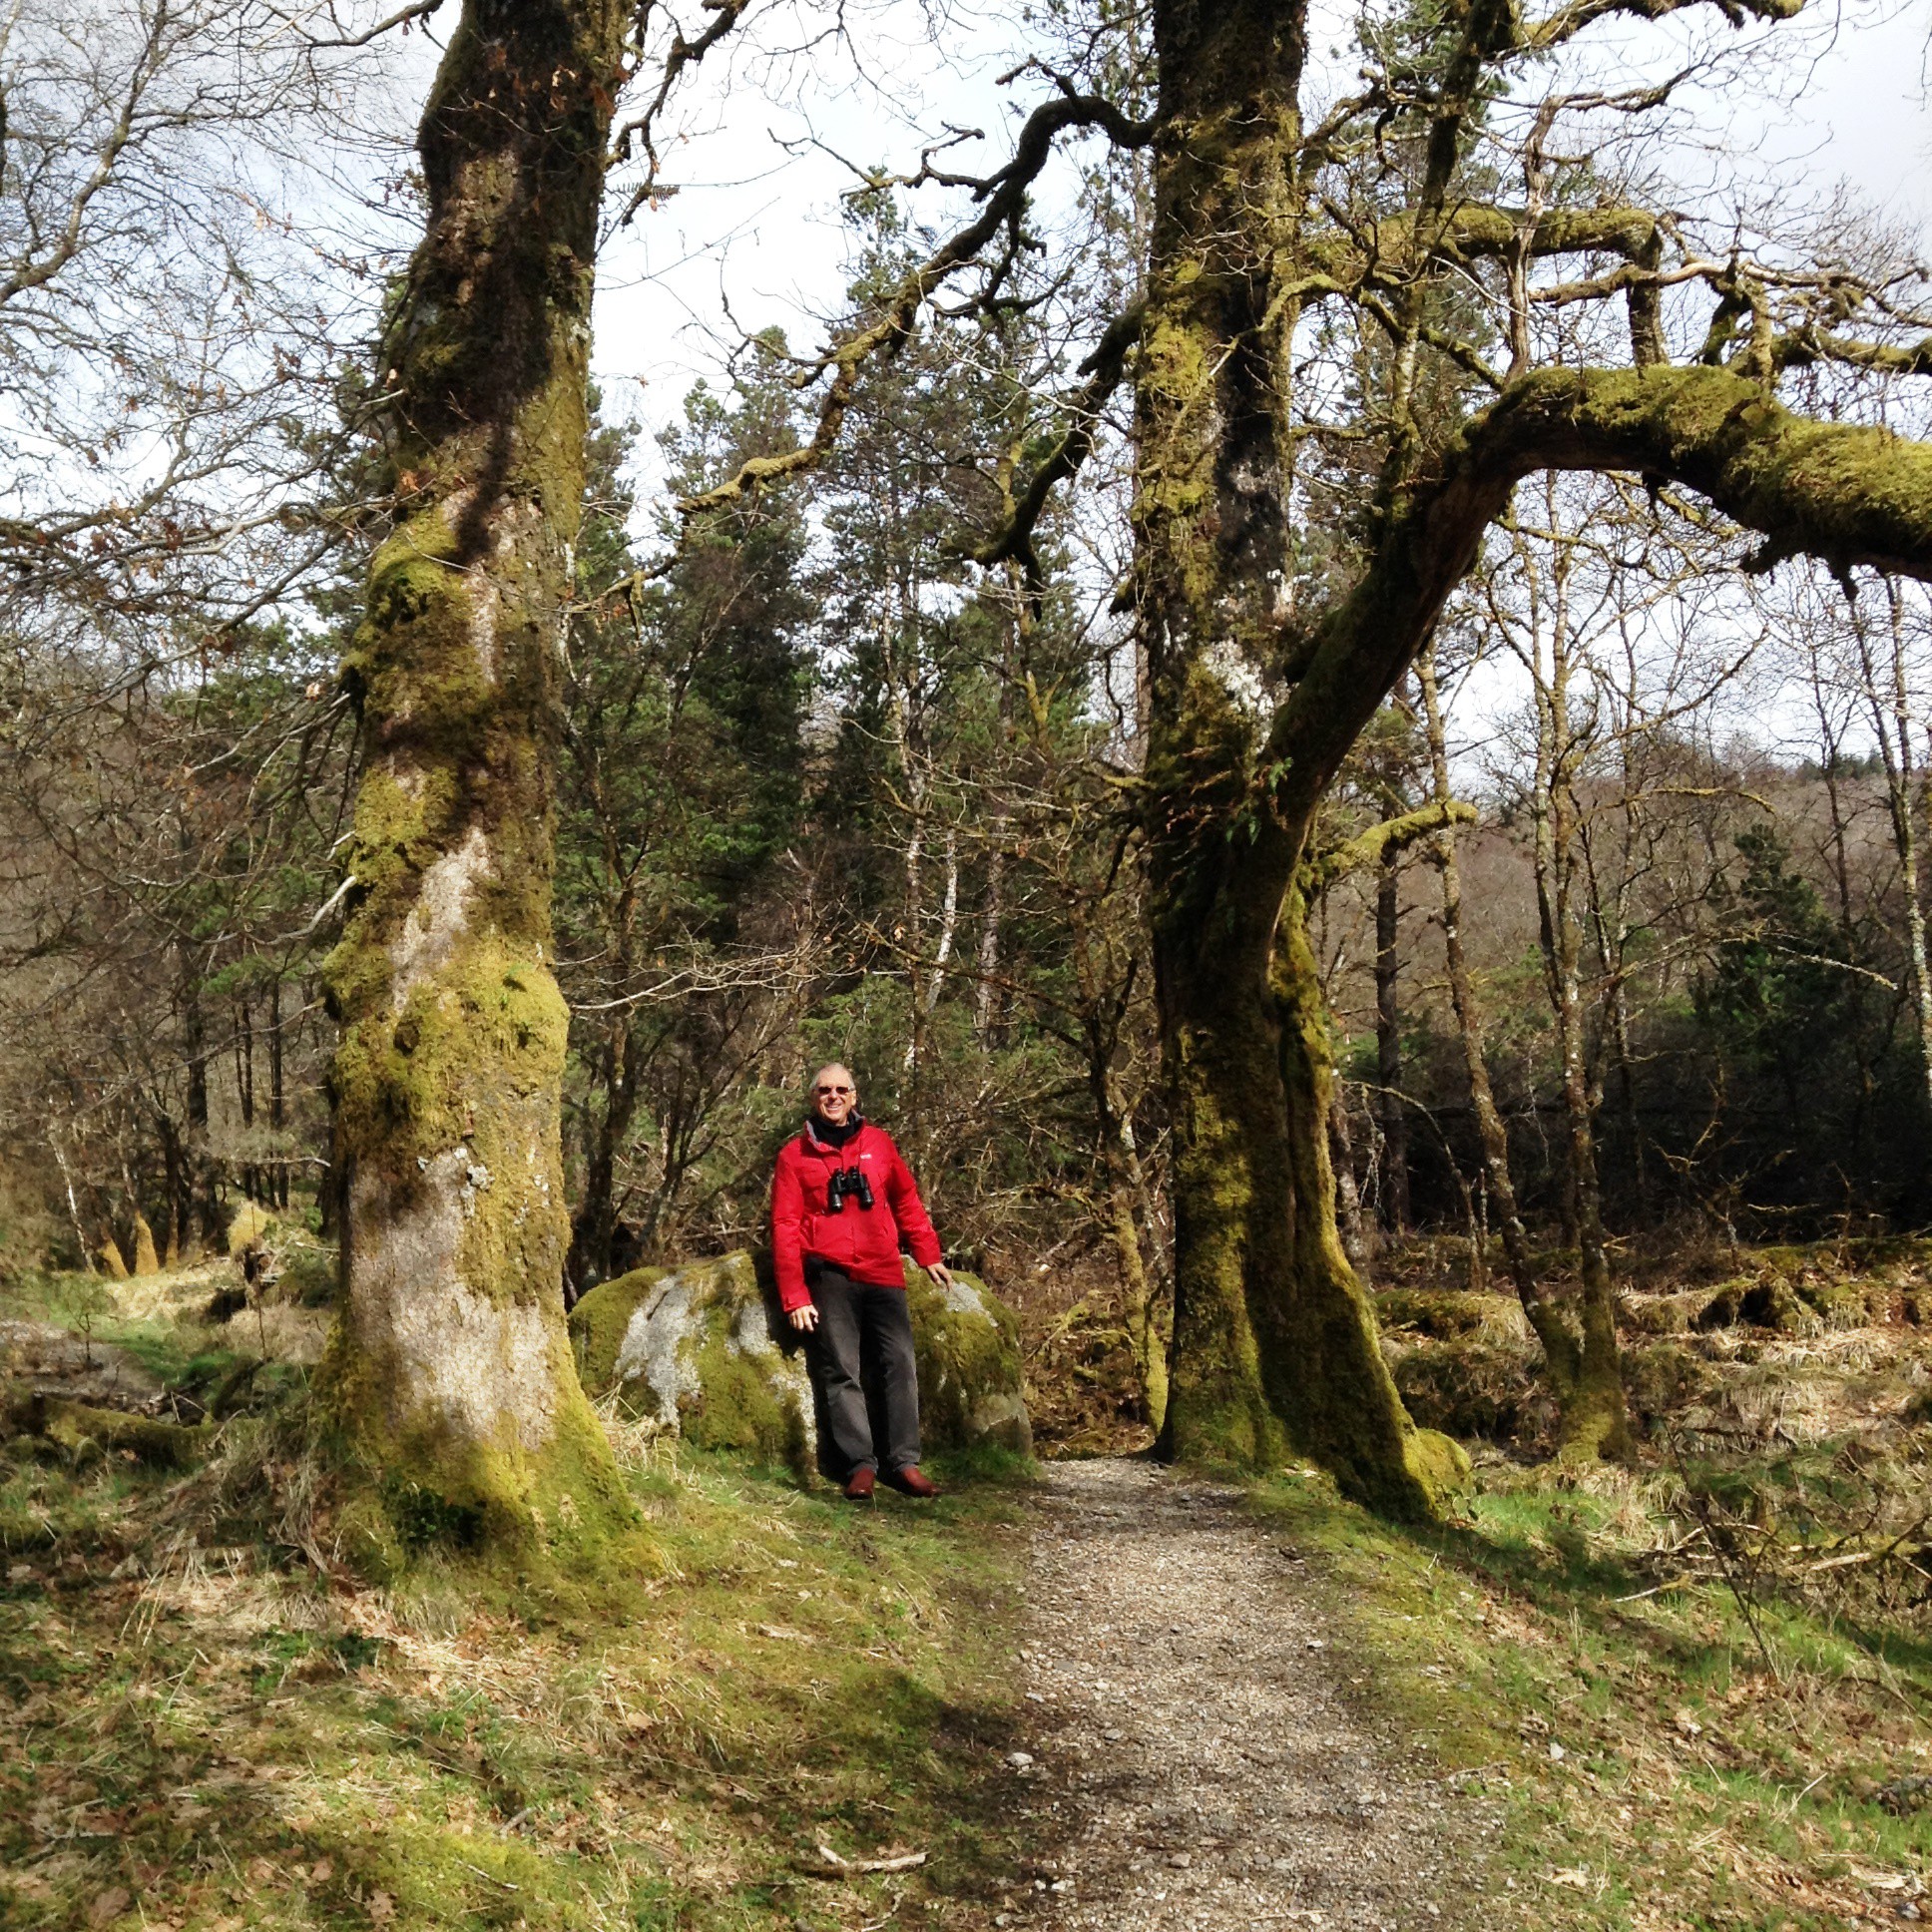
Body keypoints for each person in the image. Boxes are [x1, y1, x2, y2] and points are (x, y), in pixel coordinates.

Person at [770, 1063, 953, 1500]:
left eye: (841, 1090)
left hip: (883, 1269)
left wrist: (927, 1252)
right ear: (813, 1098)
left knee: (900, 1363)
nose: (833, 1097)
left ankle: (904, 1463)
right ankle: (860, 1466)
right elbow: (785, 1226)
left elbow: (906, 1199)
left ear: (854, 1097)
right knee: (841, 1371)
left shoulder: (879, 1143)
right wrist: (795, 1295)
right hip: (830, 1274)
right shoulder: (794, 1156)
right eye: (824, 1090)